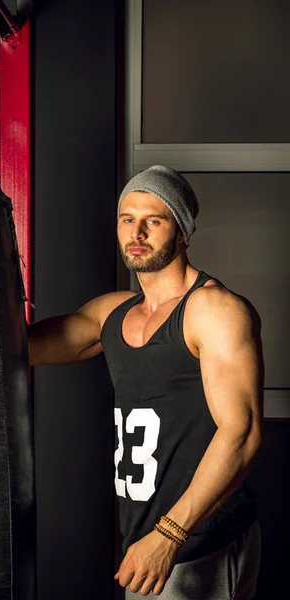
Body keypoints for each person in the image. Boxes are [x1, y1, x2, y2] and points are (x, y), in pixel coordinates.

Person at [28, 165, 263, 599]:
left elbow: (242, 433)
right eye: (127, 219)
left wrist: (169, 536)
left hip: (198, 539)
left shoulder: (213, 310)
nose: (137, 232)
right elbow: (17, 349)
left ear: (182, 231)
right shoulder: (111, 314)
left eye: (153, 220)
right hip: (143, 542)